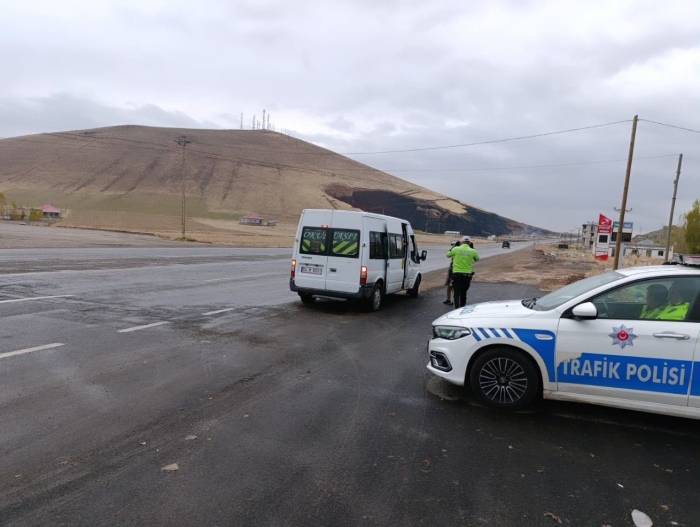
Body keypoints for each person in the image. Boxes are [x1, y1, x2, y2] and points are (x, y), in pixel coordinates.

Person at [446, 237, 479, 308]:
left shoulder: (456, 249)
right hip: (467, 275)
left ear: (461, 242)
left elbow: (447, 255)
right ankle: (462, 307)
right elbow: (477, 259)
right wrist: (473, 248)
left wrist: (454, 246)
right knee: (464, 293)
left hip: (456, 274)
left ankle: (457, 309)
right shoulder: (473, 251)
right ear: (470, 243)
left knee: (456, 293)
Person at [443, 240, 459, 305]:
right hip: (456, 270)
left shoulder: (455, 250)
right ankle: (450, 299)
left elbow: (448, 255)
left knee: (451, 286)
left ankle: (452, 300)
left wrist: (452, 248)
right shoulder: (460, 250)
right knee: (451, 286)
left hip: (453, 269)